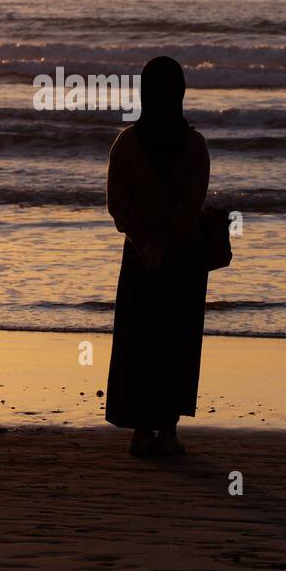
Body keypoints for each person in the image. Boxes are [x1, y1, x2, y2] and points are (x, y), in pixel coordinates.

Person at [104, 56, 210, 456]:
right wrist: (165, 243)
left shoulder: (127, 143)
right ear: (180, 93)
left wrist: (144, 242)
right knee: (175, 341)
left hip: (138, 258)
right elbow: (191, 208)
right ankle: (168, 431)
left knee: (139, 341)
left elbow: (119, 204)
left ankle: (140, 430)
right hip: (182, 261)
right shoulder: (194, 146)